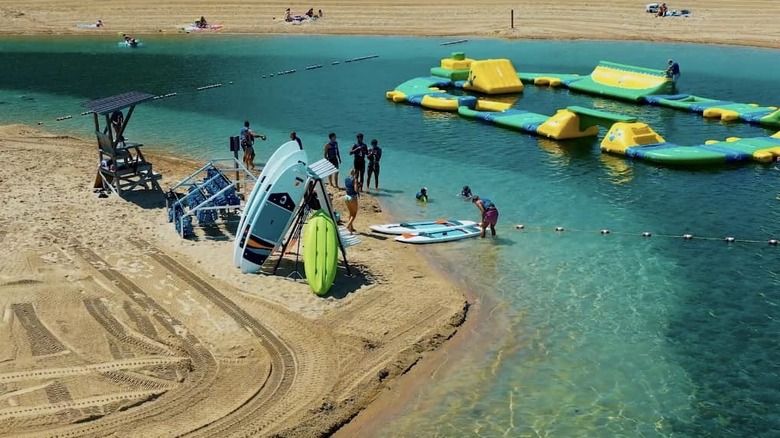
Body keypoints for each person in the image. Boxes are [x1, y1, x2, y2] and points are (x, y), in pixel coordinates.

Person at [344, 169, 360, 233]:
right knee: (354, 214)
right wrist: (358, 187)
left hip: (346, 197)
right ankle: (348, 225)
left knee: (350, 213)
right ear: (355, 174)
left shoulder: (346, 178)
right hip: (352, 198)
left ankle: (351, 227)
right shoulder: (354, 180)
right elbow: (356, 190)